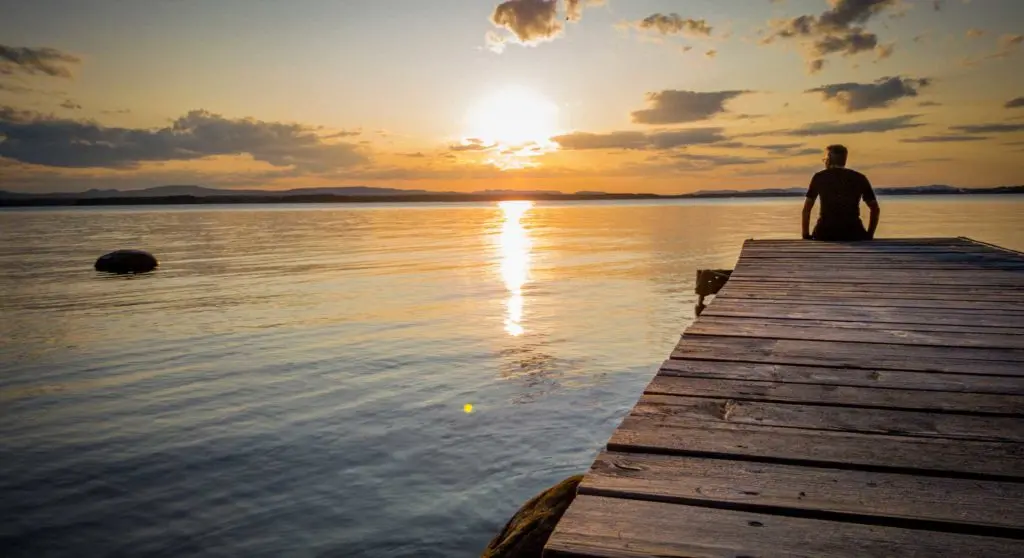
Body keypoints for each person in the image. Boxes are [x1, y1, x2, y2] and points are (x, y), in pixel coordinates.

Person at [801, 144, 880, 241]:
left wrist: (805, 235)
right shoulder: (859, 178)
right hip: (854, 233)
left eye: (825, 158)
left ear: (829, 159)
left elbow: (806, 210)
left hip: (825, 233)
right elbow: (875, 209)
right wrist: (870, 234)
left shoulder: (819, 177)